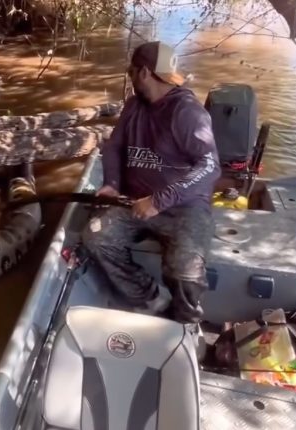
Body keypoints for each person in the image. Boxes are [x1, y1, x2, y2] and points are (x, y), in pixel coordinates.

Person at [82, 41, 221, 324]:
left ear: (144, 72)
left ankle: (186, 321)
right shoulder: (133, 106)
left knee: (185, 270)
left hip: (184, 208)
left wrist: (159, 201)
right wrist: (111, 183)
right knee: (95, 238)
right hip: (133, 201)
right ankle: (152, 300)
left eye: (131, 71)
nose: (130, 76)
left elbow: (210, 166)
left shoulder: (187, 112)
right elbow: (115, 147)